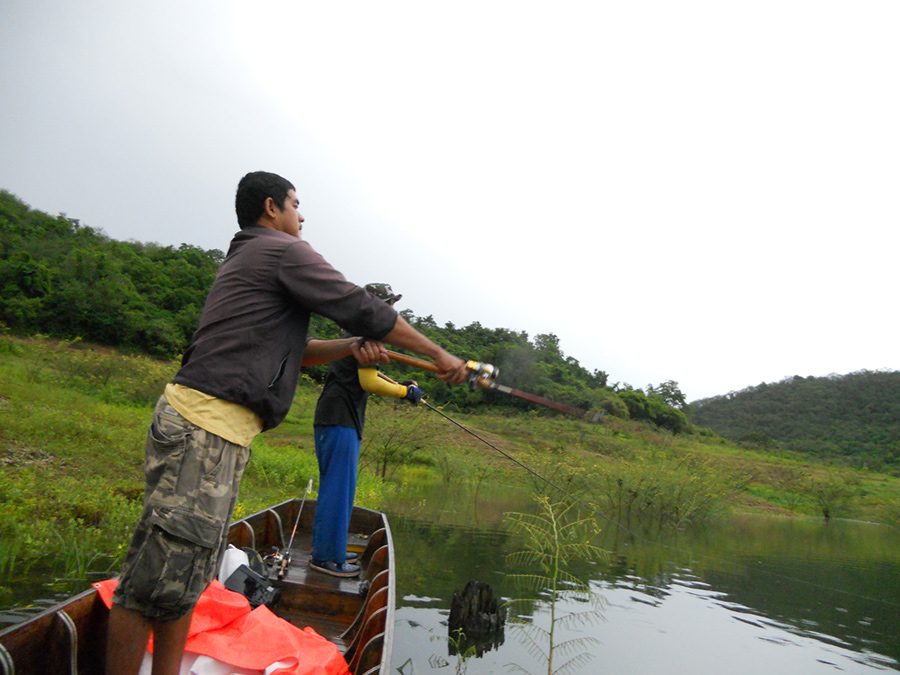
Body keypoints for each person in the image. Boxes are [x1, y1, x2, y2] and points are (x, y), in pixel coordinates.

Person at [106, 171, 471, 675]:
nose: (303, 216)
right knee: (151, 584)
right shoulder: (281, 250)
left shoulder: (252, 256)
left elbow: (297, 353)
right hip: (204, 430)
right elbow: (360, 306)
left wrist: (349, 346)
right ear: (272, 207)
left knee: (187, 579)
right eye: (297, 205)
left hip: (217, 433)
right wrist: (438, 353)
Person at [310, 282, 423, 578]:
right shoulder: (365, 338)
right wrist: (405, 393)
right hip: (340, 418)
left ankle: (329, 548)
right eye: (387, 304)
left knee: (339, 489)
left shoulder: (357, 336)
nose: (391, 310)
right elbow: (369, 382)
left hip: (337, 417)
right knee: (338, 489)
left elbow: (370, 374)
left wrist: (403, 386)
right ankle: (326, 559)